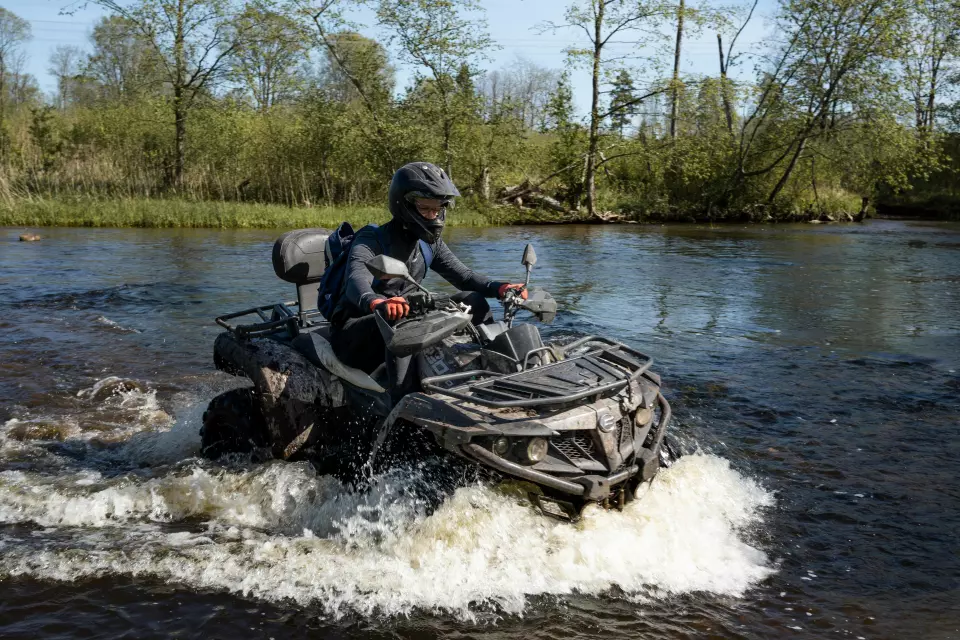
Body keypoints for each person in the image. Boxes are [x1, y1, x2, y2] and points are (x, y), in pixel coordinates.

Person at [330, 162, 527, 378]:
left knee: (473, 300)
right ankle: (401, 400)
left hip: (407, 318)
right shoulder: (371, 239)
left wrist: (502, 288)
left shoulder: (428, 243)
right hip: (356, 331)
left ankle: (496, 371)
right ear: (403, 204)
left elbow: (466, 277)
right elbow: (355, 280)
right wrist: (377, 302)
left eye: (437, 208)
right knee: (401, 324)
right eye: (425, 208)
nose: (432, 215)